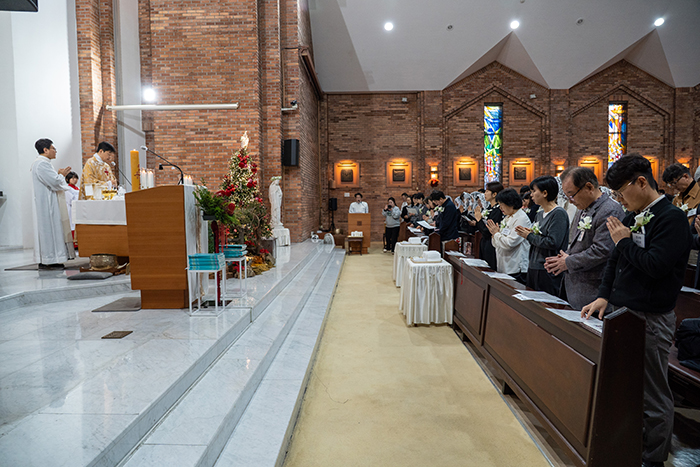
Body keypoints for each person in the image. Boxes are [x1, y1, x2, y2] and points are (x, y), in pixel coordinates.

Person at [582, 154, 692, 467]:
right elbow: (615, 260)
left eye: (621, 192)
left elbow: (656, 266)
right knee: (625, 386)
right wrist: (603, 295)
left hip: (651, 317)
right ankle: (627, 446)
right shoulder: (635, 215)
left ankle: (653, 458)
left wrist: (625, 242)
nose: (620, 200)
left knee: (652, 392)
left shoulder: (671, 219)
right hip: (623, 313)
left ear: (641, 182)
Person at [543, 168, 624, 310]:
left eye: (572, 195)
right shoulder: (583, 208)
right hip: (576, 287)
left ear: (589, 187)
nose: (570, 201)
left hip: (594, 290)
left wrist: (568, 261)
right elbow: (579, 242)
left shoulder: (609, 210)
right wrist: (564, 257)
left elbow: (602, 250)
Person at [515, 176, 569, 296]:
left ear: (545, 193)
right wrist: (530, 233)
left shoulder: (558, 213)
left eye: (534, 191)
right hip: (534, 265)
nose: (531, 195)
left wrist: (529, 236)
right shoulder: (540, 214)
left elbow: (553, 242)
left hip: (548, 268)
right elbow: (540, 236)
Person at [31, 139, 74, 268]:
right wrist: (61, 175)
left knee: (51, 231)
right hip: (47, 204)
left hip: (48, 202)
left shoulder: (44, 163)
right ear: (45, 150)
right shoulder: (41, 164)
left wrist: (59, 175)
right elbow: (54, 182)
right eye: (53, 148)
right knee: (49, 231)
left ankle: (51, 259)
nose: (55, 151)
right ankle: (49, 260)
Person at [486, 188, 530, 283]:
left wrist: (496, 234)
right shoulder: (507, 218)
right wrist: (494, 235)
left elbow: (510, 243)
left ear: (511, 203)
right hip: (503, 265)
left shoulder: (521, 218)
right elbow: (497, 244)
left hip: (515, 267)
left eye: (502, 204)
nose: (500, 208)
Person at [473, 181, 504, 270]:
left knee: (489, 269)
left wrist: (479, 220)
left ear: (494, 194)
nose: (484, 194)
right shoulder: (489, 208)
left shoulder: (497, 210)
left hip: (491, 244)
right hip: (484, 242)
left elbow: (488, 231)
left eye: (487, 191)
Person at [65, 171, 80, 248]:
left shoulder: (78, 188)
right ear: (68, 179)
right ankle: (73, 244)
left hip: (78, 209)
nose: (75, 180)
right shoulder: (67, 189)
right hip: (71, 209)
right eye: (73, 178)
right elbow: (70, 200)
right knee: (72, 225)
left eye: (76, 178)